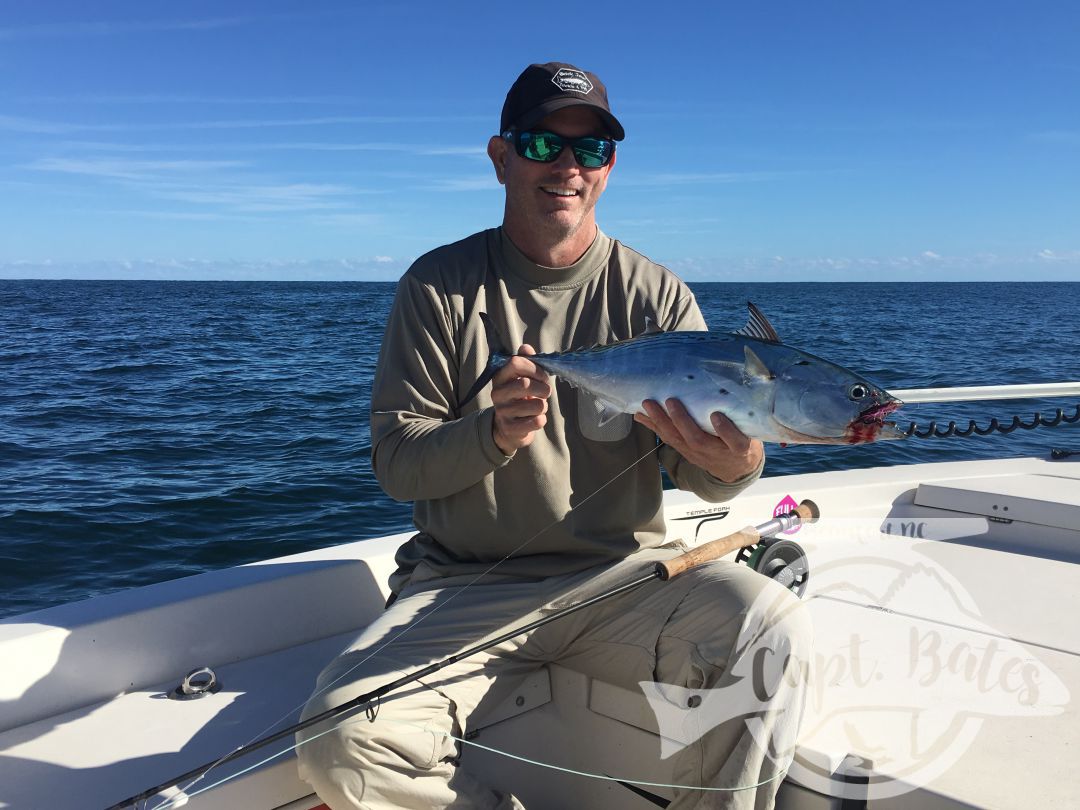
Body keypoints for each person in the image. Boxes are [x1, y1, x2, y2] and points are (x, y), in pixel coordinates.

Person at [297, 62, 811, 810]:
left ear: (609, 167)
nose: (568, 166)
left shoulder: (657, 295)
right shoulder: (438, 287)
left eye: (591, 149)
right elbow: (397, 465)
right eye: (543, 144)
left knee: (771, 627)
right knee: (339, 739)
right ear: (501, 157)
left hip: (626, 578)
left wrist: (735, 460)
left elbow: (708, 476)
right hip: (461, 585)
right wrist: (492, 435)